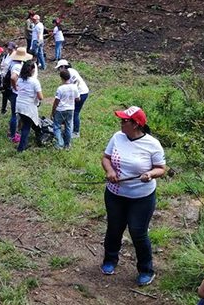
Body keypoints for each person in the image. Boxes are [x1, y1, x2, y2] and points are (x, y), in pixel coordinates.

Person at [100, 106, 166, 286]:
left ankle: (146, 269)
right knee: (114, 227)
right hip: (115, 194)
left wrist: (151, 174)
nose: (121, 123)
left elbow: (161, 168)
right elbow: (106, 157)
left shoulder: (152, 144)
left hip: (142, 197)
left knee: (138, 231)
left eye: (124, 121)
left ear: (136, 125)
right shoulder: (117, 137)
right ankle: (110, 260)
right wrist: (110, 170)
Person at [5, 47, 34, 143]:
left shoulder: (12, 63)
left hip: (11, 91)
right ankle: (13, 134)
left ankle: (14, 132)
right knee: (14, 114)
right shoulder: (17, 66)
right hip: (15, 93)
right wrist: (15, 87)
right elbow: (13, 77)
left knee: (15, 113)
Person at [55, 60, 89, 138]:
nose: (59, 70)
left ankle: (76, 132)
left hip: (81, 93)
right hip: (80, 93)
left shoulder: (70, 72)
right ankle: (70, 129)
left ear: (63, 66)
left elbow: (73, 86)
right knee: (72, 112)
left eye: (59, 68)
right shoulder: (70, 71)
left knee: (75, 112)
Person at [15, 61, 43, 152]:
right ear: (32, 70)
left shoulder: (20, 80)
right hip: (29, 106)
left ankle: (37, 138)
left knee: (31, 123)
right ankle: (21, 147)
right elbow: (40, 97)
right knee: (27, 126)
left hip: (19, 104)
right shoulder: (35, 82)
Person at [51, 69, 80, 149]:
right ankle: (67, 145)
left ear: (61, 78)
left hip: (60, 109)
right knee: (68, 126)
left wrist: (53, 112)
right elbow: (78, 99)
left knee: (56, 126)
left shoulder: (60, 88)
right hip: (71, 109)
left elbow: (56, 102)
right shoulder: (74, 87)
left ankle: (60, 144)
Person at [0, 41, 17, 115]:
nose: (9, 50)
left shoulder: (15, 56)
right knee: (4, 92)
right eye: (8, 49)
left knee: (9, 92)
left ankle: (14, 107)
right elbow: (2, 64)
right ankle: (3, 108)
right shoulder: (5, 56)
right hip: (4, 76)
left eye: (10, 49)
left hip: (10, 76)